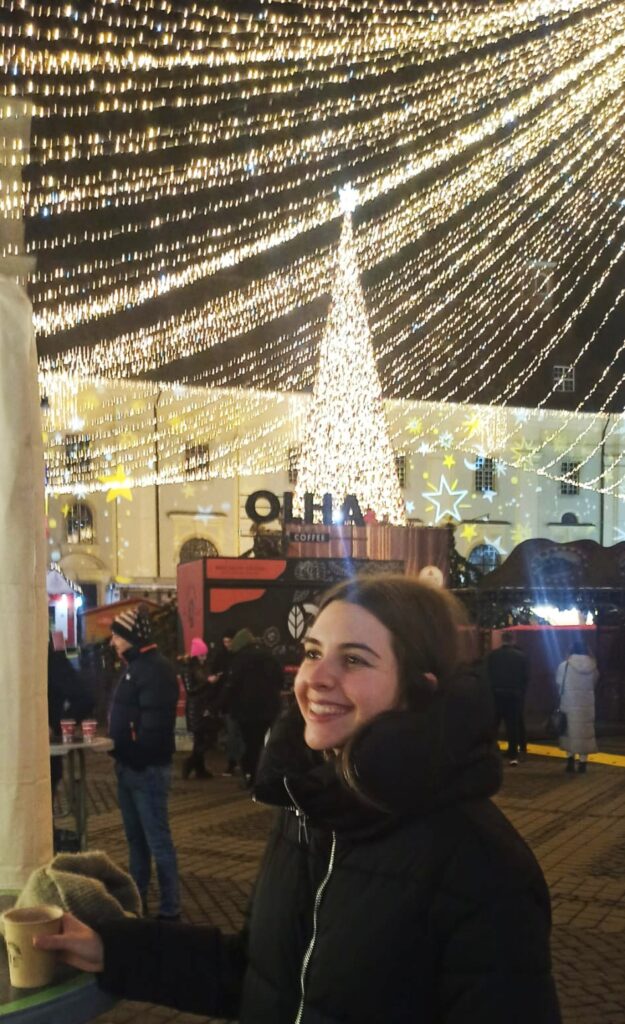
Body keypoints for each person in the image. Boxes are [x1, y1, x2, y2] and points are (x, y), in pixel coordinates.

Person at [35, 575, 561, 1023]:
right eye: (312, 653)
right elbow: (259, 975)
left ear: (418, 690)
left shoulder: (483, 866)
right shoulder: (310, 808)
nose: (316, 679)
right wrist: (112, 945)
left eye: (353, 659)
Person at [108, 604, 181, 920]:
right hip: (129, 765)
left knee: (157, 841)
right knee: (136, 841)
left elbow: (154, 726)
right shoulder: (134, 666)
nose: (113, 642)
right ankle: (138, 901)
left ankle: (170, 907)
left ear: (131, 637)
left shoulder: (154, 669)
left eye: (117, 636)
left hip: (146, 769)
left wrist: (134, 755)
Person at [220, 628, 283, 787]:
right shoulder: (269, 655)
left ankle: (253, 777)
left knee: (250, 744)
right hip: (270, 708)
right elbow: (280, 680)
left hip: (247, 711)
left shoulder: (239, 659)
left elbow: (232, 685)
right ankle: (268, 776)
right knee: (267, 742)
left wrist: (220, 705)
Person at [486, 630, 529, 766]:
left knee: (494, 724)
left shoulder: (492, 656)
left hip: (497, 694)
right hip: (514, 695)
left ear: (502, 640)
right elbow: (525, 678)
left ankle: (490, 751)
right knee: (513, 725)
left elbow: (487, 675)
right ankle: (513, 753)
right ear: (513, 640)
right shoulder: (521, 657)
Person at [556, 639, 598, 774]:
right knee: (584, 731)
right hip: (586, 704)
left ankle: (569, 761)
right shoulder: (593, 666)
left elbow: (558, 682)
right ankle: (583, 763)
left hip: (568, 702)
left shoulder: (565, 666)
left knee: (569, 731)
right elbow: (594, 682)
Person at [181, 637, 218, 780]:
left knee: (202, 739)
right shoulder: (188, 669)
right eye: (202, 655)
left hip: (203, 706)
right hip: (195, 708)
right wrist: (208, 683)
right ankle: (190, 764)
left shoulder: (202, 667)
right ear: (196, 655)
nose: (205, 657)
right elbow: (191, 690)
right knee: (202, 739)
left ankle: (199, 768)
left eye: (205, 655)